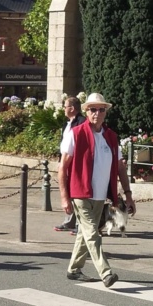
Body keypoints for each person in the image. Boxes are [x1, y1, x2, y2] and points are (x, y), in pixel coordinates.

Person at [59, 92, 136, 287]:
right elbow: (63, 167)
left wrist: (128, 195)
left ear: (105, 112)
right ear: (86, 111)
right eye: (93, 109)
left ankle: (74, 269)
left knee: (85, 234)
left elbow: (120, 168)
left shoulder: (111, 137)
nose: (97, 113)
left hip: (101, 195)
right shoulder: (76, 134)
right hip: (80, 193)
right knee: (92, 232)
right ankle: (106, 272)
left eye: (101, 109)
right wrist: (64, 197)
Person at [55, 96, 88, 233]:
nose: (63, 109)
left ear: (72, 108)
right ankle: (69, 221)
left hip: (76, 162)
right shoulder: (67, 123)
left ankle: (79, 224)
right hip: (66, 159)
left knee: (76, 192)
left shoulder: (81, 122)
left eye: (65, 106)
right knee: (67, 190)